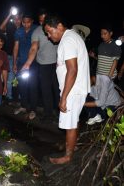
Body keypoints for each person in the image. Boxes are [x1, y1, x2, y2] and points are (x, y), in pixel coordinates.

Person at [43, 14, 90, 164]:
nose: (49, 36)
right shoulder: (72, 37)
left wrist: (64, 97)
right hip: (76, 89)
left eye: (50, 32)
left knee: (69, 125)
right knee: (73, 121)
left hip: (72, 90)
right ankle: (71, 146)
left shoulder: (68, 40)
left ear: (60, 26)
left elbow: (72, 70)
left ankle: (67, 156)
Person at [22, 8, 59, 121]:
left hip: (58, 64)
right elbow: (33, 48)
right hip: (43, 64)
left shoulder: (56, 28)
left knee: (58, 89)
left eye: (45, 20)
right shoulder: (37, 31)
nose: (43, 22)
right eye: (41, 20)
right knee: (45, 89)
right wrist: (28, 63)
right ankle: (48, 114)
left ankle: (60, 113)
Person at [13, 13, 38, 119]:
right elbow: (16, 47)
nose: (26, 24)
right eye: (24, 22)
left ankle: (33, 109)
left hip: (33, 63)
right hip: (21, 62)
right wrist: (14, 63)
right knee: (22, 85)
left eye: (28, 22)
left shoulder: (37, 29)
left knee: (32, 86)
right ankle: (23, 106)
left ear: (32, 21)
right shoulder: (19, 31)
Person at [0, 7, 22, 101]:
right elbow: (1, 28)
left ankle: (21, 97)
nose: (17, 20)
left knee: (21, 78)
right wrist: (9, 14)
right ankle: (9, 97)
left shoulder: (24, 28)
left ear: (21, 19)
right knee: (10, 77)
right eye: (15, 18)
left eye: (18, 18)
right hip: (9, 56)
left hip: (21, 56)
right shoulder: (10, 27)